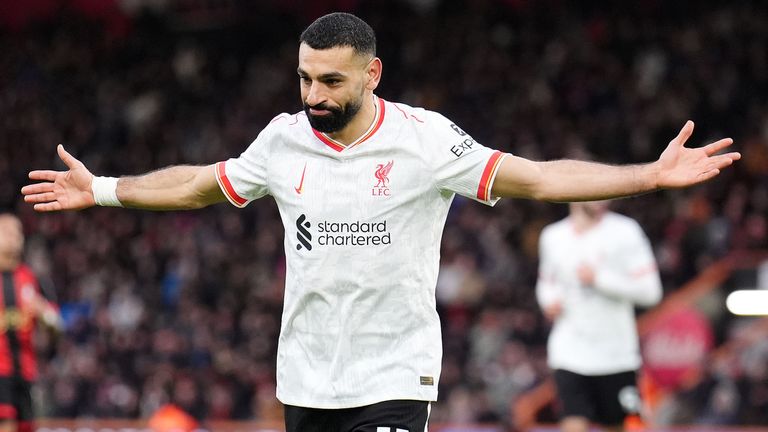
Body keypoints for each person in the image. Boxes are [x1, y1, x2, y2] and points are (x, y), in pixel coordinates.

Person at [20, 12, 739, 432]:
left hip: (393, 375)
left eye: (330, 80)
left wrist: (647, 175)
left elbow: (539, 175)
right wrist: (106, 189)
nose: (313, 94)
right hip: (303, 379)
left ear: (372, 75)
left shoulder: (426, 142)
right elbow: (199, 186)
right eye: (304, 77)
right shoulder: (281, 140)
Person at [536, 201, 663, 432]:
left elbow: (651, 292)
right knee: (572, 421)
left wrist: (600, 280)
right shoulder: (552, 236)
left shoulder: (625, 231)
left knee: (615, 424)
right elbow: (546, 283)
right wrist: (548, 301)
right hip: (569, 351)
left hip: (615, 355)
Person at [0, 213, 62, 432]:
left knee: (26, 426)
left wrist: (44, 313)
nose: (14, 237)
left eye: (17, 232)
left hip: (26, 372)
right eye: (6, 232)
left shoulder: (34, 279)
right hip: (1, 372)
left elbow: (57, 327)